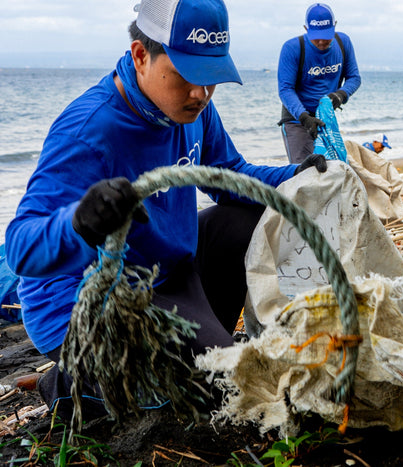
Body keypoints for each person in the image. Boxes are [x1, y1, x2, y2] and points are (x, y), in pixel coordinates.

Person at [4, 0, 326, 420]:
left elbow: (229, 175)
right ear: (141, 55)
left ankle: (201, 345)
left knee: (247, 221)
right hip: (90, 301)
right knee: (216, 397)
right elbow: (21, 249)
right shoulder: (89, 130)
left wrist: (296, 175)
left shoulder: (194, 109)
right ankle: (69, 384)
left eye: (211, 78)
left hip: (169, 273)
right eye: (187, 76)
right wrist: (81, 223)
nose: (201, 93)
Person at [278, 3, 361, 163]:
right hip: (297, 120)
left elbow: (354, 78)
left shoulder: (343, 42)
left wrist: (340, 95)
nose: (322, 41)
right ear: (306, 28)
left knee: (332, 169)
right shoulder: (293, 48)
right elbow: (285, 90)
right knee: (303, 172)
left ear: (334, 26)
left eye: (326, 35)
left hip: (325, 118)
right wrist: (304, 118)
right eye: (316, 37)